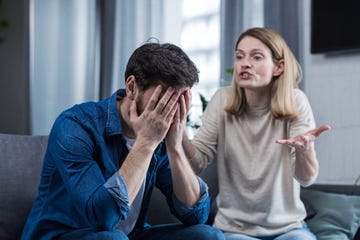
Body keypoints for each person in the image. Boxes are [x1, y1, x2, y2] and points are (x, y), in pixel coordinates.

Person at [21, 42, 224, 240]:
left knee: (208, 235)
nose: (169, 109)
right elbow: (103, 219)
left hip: (128, 234)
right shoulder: (75, 125)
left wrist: (175, 147)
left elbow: (196, 215)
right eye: (162, 99)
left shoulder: (162, 133)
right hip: (64, 234)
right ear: (132, 87)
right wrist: (146, 143)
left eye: (178, 100)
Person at [182, 27, 331, 240]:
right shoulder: (222, 100)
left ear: (278, 67)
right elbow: (197, 162)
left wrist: (305, 150)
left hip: (289, 228)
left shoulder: (295, 100)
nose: (245, 63)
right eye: (239, 56)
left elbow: (305, 179)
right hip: (235, 230)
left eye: (257, 57)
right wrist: (179, 134)